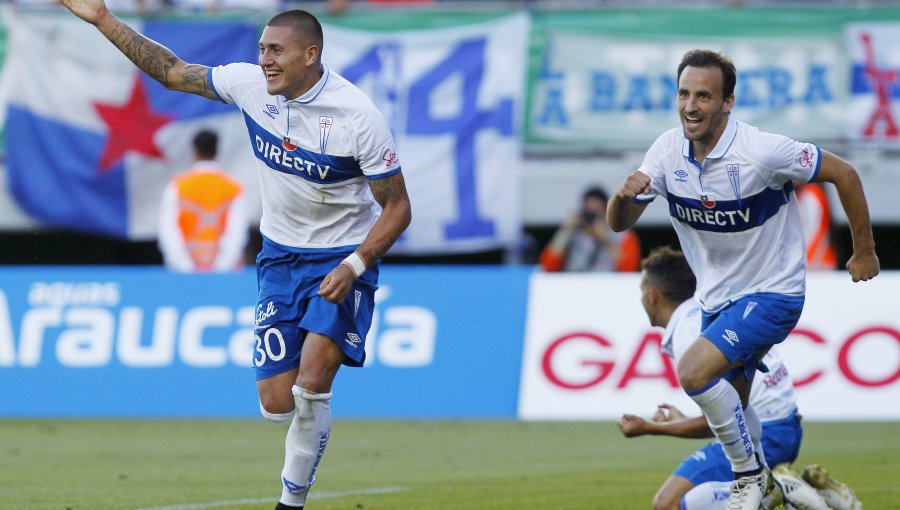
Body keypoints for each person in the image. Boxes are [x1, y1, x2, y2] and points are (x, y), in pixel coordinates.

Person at [58, 2, 412, 508]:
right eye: (262, 49)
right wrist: (103, 20)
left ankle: (290, 501)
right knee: (275, 402)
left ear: (311, 55)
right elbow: (174, 72)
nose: (264, 60)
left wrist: (354, 264)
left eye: (276, 50)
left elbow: (398, 207)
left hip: (340, 258)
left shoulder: (358, 118)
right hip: (280, 259)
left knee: (313, 379)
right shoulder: (249, 85)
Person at [607, 49, 879, 509]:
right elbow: (620, 224)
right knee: (735, 417)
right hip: (717, 300)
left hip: (774, 293)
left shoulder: (762, 151)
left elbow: (845, 174)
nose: (691, 106)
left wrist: (865, 250)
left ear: (727, 102)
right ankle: (790, 493)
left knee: (692, 371)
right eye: (684, 94)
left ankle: (750, 477)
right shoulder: (666, 151)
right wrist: (622, 196)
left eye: (704, 96)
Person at [619, 246, 862, 510]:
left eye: (642, 289)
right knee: (699, 500)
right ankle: (808, 496)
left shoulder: (688, 334)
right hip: (785, 427)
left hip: (767, 433)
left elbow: (729, 417)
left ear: (653, 296)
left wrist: (651, 428)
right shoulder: (704, 314)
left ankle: (783, 491)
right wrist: (682, 421)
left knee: (668, 503)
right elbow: (729, 411)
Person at [158, 129, 249, 272]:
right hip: (226, 276)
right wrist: (221, 267)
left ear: (194, 152)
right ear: (217, 151)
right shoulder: (233, 188)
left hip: (183, 276)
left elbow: (169, 231)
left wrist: (185, 267)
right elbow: (236, 233)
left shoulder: (177, 187)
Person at [539, 186, 640, 272]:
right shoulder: (572, 234)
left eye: (596, 212)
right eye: (589, 213)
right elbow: (547, 266)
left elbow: (629, 270)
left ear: (607, 211)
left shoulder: (623, 236)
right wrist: (565, 231)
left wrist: (606, 240)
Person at [795, 182, 838, 270]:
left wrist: (803, 263)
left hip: (818, 266)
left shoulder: (812, 194)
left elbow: (815, 234)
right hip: (808, 264)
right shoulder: (800, 194)